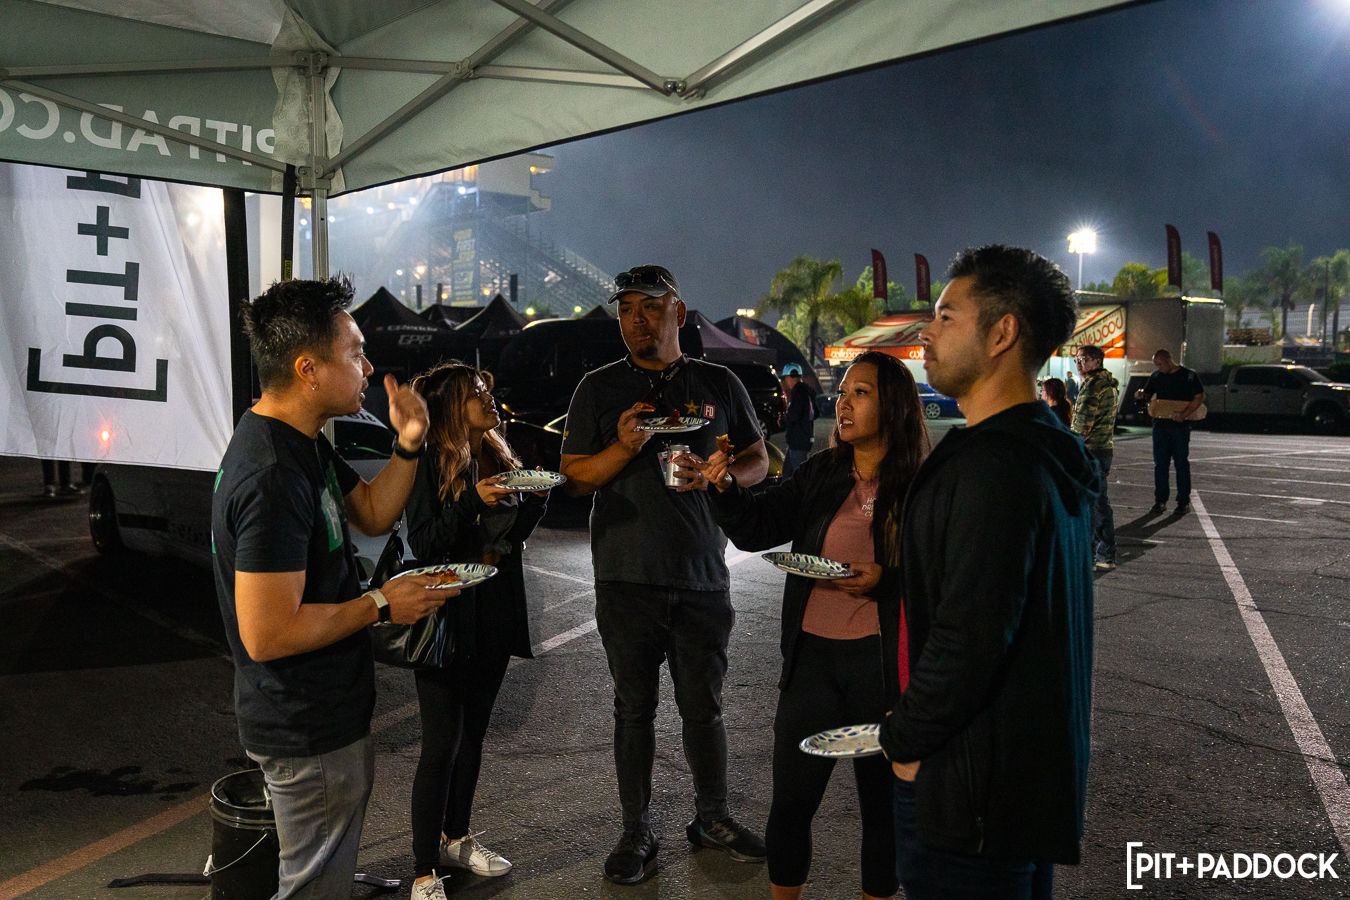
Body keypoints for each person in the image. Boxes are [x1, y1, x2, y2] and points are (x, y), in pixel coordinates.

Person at [212, 277, 449, 900]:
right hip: (304, 723)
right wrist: (381, 603)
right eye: (356, 353)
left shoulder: (301, 442)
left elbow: (370, 511)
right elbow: (268, 633)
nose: (368, 368)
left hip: (323, 714)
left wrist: (409, 444)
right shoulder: (271, 474)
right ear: (308, 369)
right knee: (314, 889)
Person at [879, 245, 1098, 900]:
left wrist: (904, 739)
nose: (927, 331)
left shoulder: (995, 466)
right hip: (1014, 790)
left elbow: (970, 636)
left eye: (947, 316)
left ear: (1002, 333)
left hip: (968, 796)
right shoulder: (1042, 448)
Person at [559, 264, 770, 885]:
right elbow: (573, 477)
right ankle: (636, 830)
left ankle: (713, 817)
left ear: (678, 312)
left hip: (702, 573)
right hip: (626, 576)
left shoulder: (717, 382)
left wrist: (727, 474)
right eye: (626, 310)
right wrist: (624, 446)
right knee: (634, 710)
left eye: (650, 308)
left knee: (704, 708)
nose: (636, 321)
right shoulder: (598, 389)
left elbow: (758, 457)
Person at [703, 351, 929, 900]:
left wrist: (888, 579)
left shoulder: (923, 485)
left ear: (893, 405)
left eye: (860, 393)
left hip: (882, 668)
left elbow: (945, 576)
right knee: (791, 806)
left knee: (881, 813)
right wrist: (725, 490)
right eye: (843, 391)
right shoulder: (822, 472)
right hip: (813, 664)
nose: (843, 403)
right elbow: (757, 527)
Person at [404, 362, 550, 899]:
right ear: (451, 409)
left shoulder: (497, 452)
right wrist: (472, 501)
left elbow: (510, 539)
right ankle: (424, 871)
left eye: (488, 389)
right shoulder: (429, 461)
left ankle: (456, 837)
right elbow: (425, 542)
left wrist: (536, 502)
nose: (490, 398)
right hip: (447, 616)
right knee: (441, 744)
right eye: (477, 394)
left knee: (473, 738)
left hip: (494, 611)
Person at [1135, 348, 1205, 516]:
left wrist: (1184, 415)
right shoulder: (1157, 376)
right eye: (1156, 365)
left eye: (1160, 364)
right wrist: (1140, 395)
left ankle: (1183, 502)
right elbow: (1148, 394)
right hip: (1160, 425)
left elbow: (1199, 397)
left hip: (1180, 427)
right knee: (1160, 464)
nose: (1158, 368)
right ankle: (1160, 501)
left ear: (1168, 361)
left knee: (1181, 463)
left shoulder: (1189, 376)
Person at [1070, 345, 1120, 571]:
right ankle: (1105, 554)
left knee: (1091, 505)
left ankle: (1095, 555)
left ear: (1096, 361)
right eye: (1077, 360)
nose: (1078, 364)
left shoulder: (1093, 385)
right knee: (1098, 502)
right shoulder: (1107, 382)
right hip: (1103, 448)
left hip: (1091, 450)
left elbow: (1082, 426)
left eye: (1083, 359)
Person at [781, 363, 817, 478]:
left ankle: (804, 490)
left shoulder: (798, 392)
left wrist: (782, 421)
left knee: (798, 474)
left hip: (798, 438)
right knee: (788, 472)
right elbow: (816, 413)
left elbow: (794, 414)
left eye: (785, 378)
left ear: (788, 377)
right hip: (804, 437)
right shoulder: (807, 390)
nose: (785, 381)